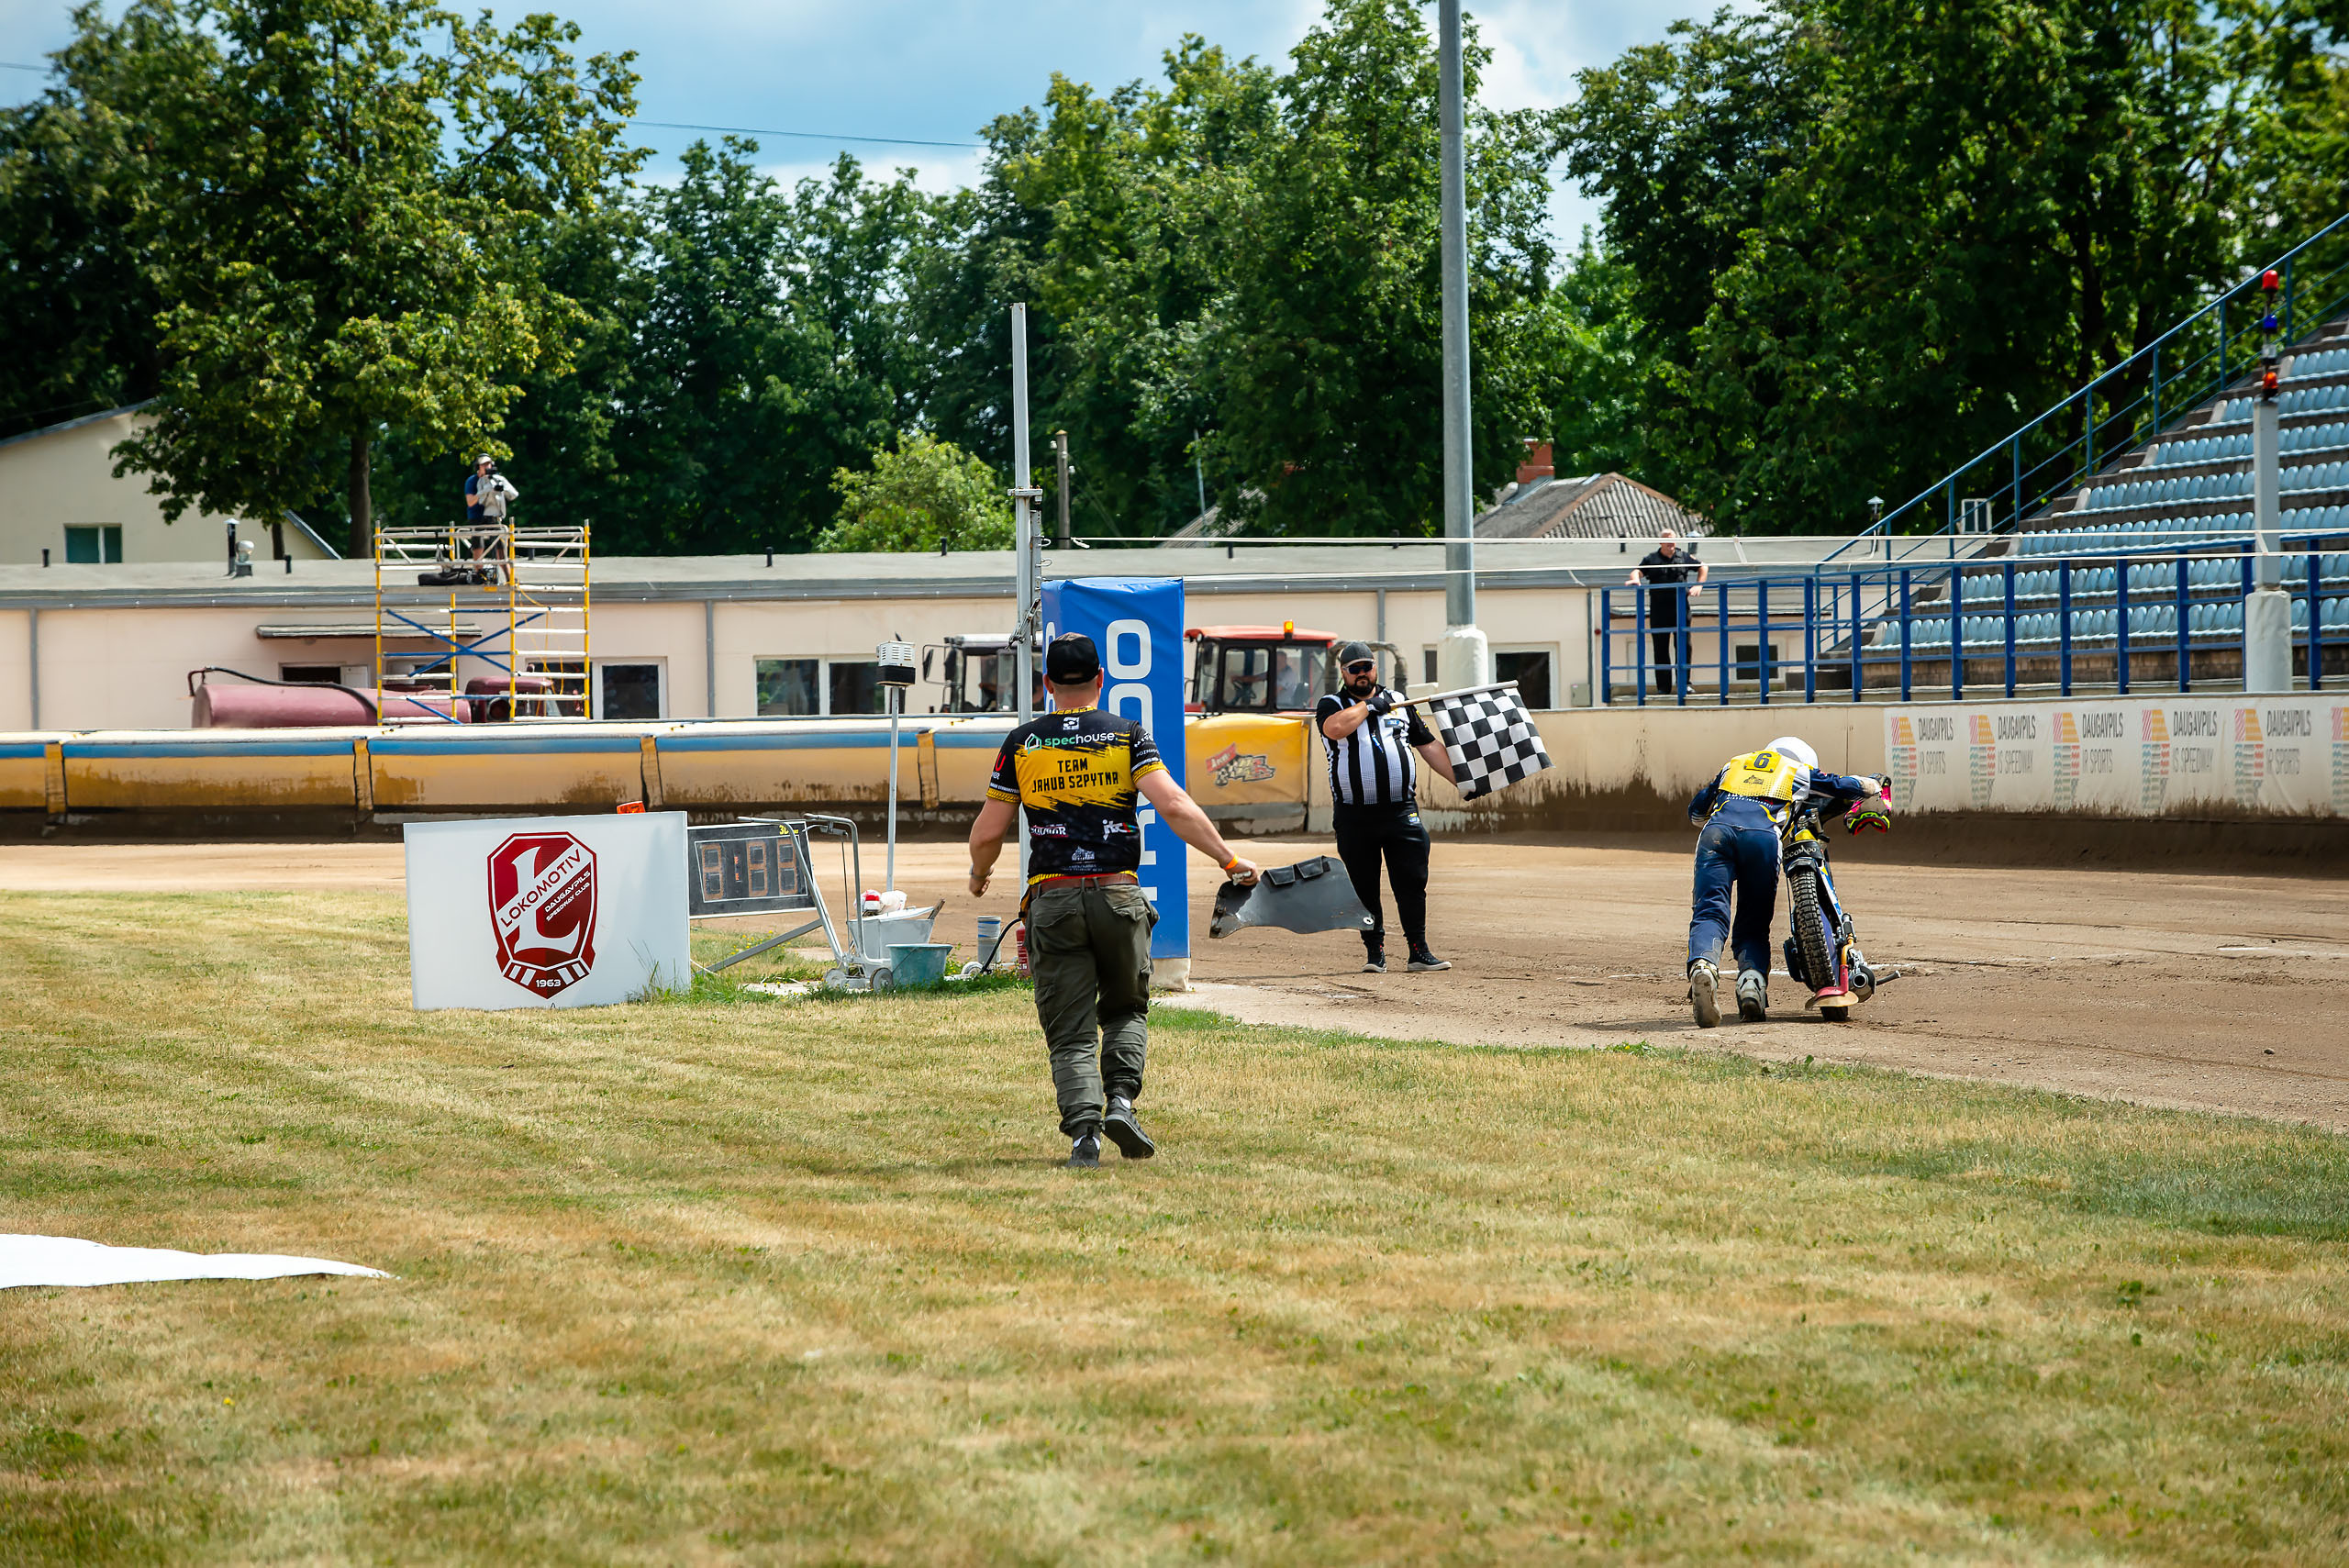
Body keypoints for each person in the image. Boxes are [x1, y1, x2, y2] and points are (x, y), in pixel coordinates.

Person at [968, 633, 1260, 1169]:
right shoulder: (1127, 736)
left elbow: (988, 832)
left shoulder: (1022, 743)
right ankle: (1121, 1103)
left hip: (1052, 899)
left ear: (1047, 683)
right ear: (1100, 679)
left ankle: (1085, 1135)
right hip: (1118, 894)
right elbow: (1174, 805)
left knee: (1070, 1030)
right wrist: (1229, 859)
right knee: (1125, 1009)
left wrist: (979, 874)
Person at [1682, 735, 1884, 1027]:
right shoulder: (1795, 771)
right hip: (1762, 838)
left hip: (1716, 834)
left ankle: (1704, 965)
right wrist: (1875, 784)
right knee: (1754, 920)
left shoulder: (1735, 763)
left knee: (1709, 910)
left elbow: (1696, 812)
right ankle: (1751, 984)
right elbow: (1842, 786)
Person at [1315, 641, 1456, 974]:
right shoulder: (1331, 704)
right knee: (1364, 885)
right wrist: (1370, 706)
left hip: (1400, 811)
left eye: (1367, 667)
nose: (1362, 674)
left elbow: (1429, 746)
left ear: (1376, 668)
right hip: (1355, 814)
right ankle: (1374, 951)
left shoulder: (1400, 703)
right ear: (1344, 673)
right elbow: (1335, 729)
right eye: (1354, 669)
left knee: (1412, 881)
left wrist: (1464, 782)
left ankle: (1418, 951)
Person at [1626, 529, 1707, 695]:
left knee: (1684, 647)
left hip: (1680, 608)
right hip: (1659, 610)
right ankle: (1663, 687)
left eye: (1673, 539)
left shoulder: (1683, 557)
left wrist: (1699, 585)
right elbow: (1636, 571)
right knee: (1660, 648)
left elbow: (1703, 567)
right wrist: (1635, 579)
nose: (1670, 543)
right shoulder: (1651, 559)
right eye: (1667, 540)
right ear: (1660, 542)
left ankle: (1684, 684)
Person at [462, 455, 518, 581]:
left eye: (488, 464)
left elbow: (513, 494)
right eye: (483, 465)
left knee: (500, 547)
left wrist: (501, 488)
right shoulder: (472, 481)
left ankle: (509, 577)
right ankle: (479, 575)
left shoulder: (497, 479)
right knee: (478, 545)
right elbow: (470, 502)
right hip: (477, 516)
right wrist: (484, 491)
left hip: (493, 515)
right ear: (478, 466)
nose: (487, 467)